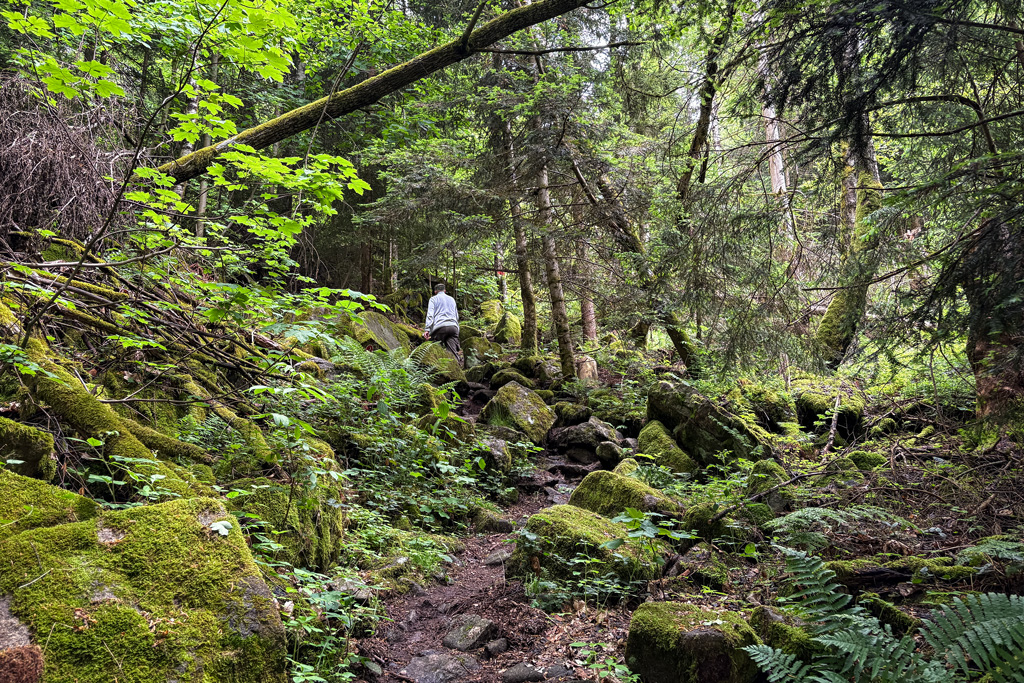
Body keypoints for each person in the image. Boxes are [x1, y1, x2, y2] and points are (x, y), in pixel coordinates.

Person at [424, 283, 462, 365]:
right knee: (452, 353)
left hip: (439, 327)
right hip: (453, 327)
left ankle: (438, 369)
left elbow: (430, 315)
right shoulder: (452, 299)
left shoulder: (433, 299)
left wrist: (427, 329)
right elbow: (456, 316)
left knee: (437, 349)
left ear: (435, 291)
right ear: (445, 290)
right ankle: (455, 369)